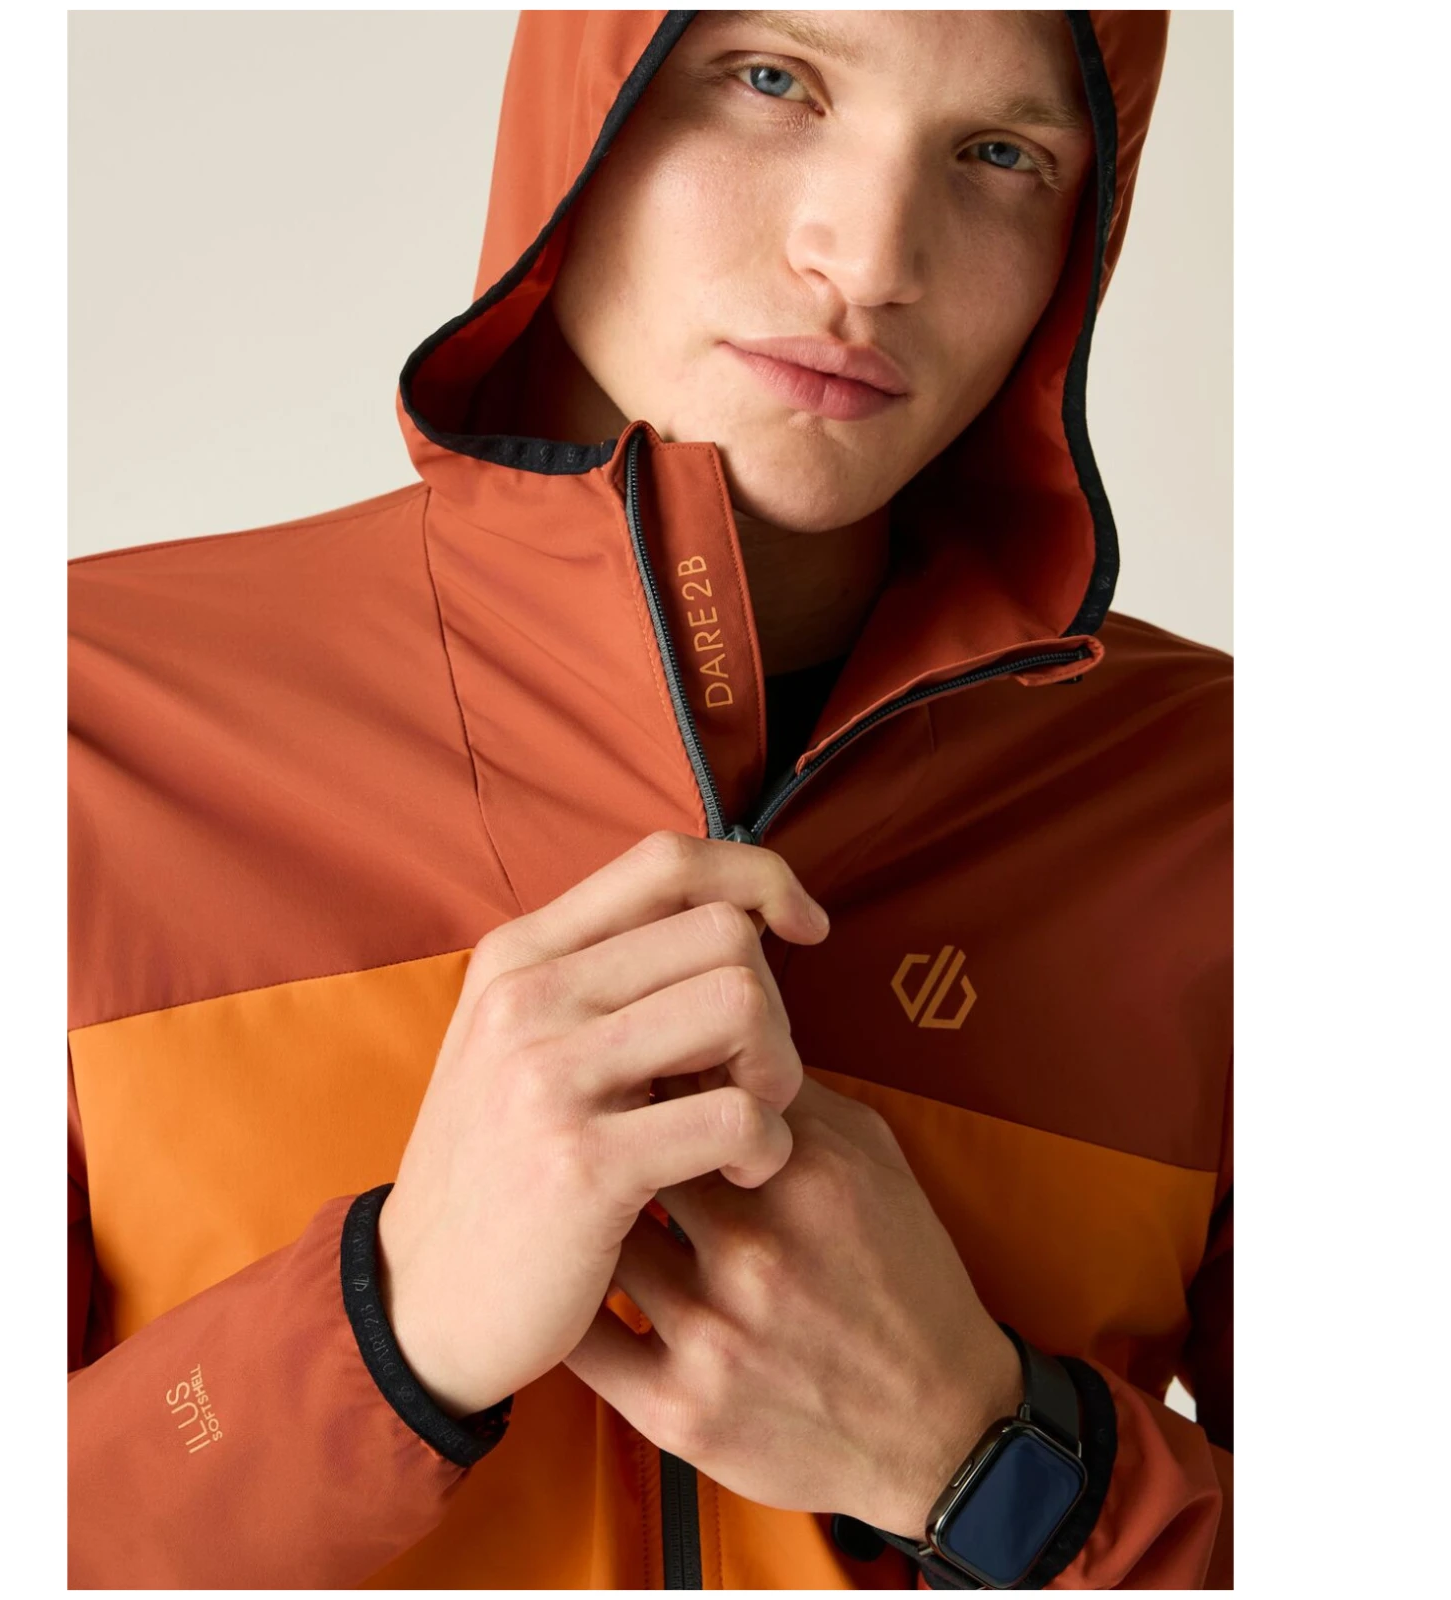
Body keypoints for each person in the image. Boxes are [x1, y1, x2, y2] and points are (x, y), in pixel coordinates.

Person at [68, 9, 1231, 1589]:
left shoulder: (1241, 812)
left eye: (1000, 154)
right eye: (772, 80)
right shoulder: (65, 724)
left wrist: (990, 1460)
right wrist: (391, 1332)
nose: (868, 257)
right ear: (590, 100)